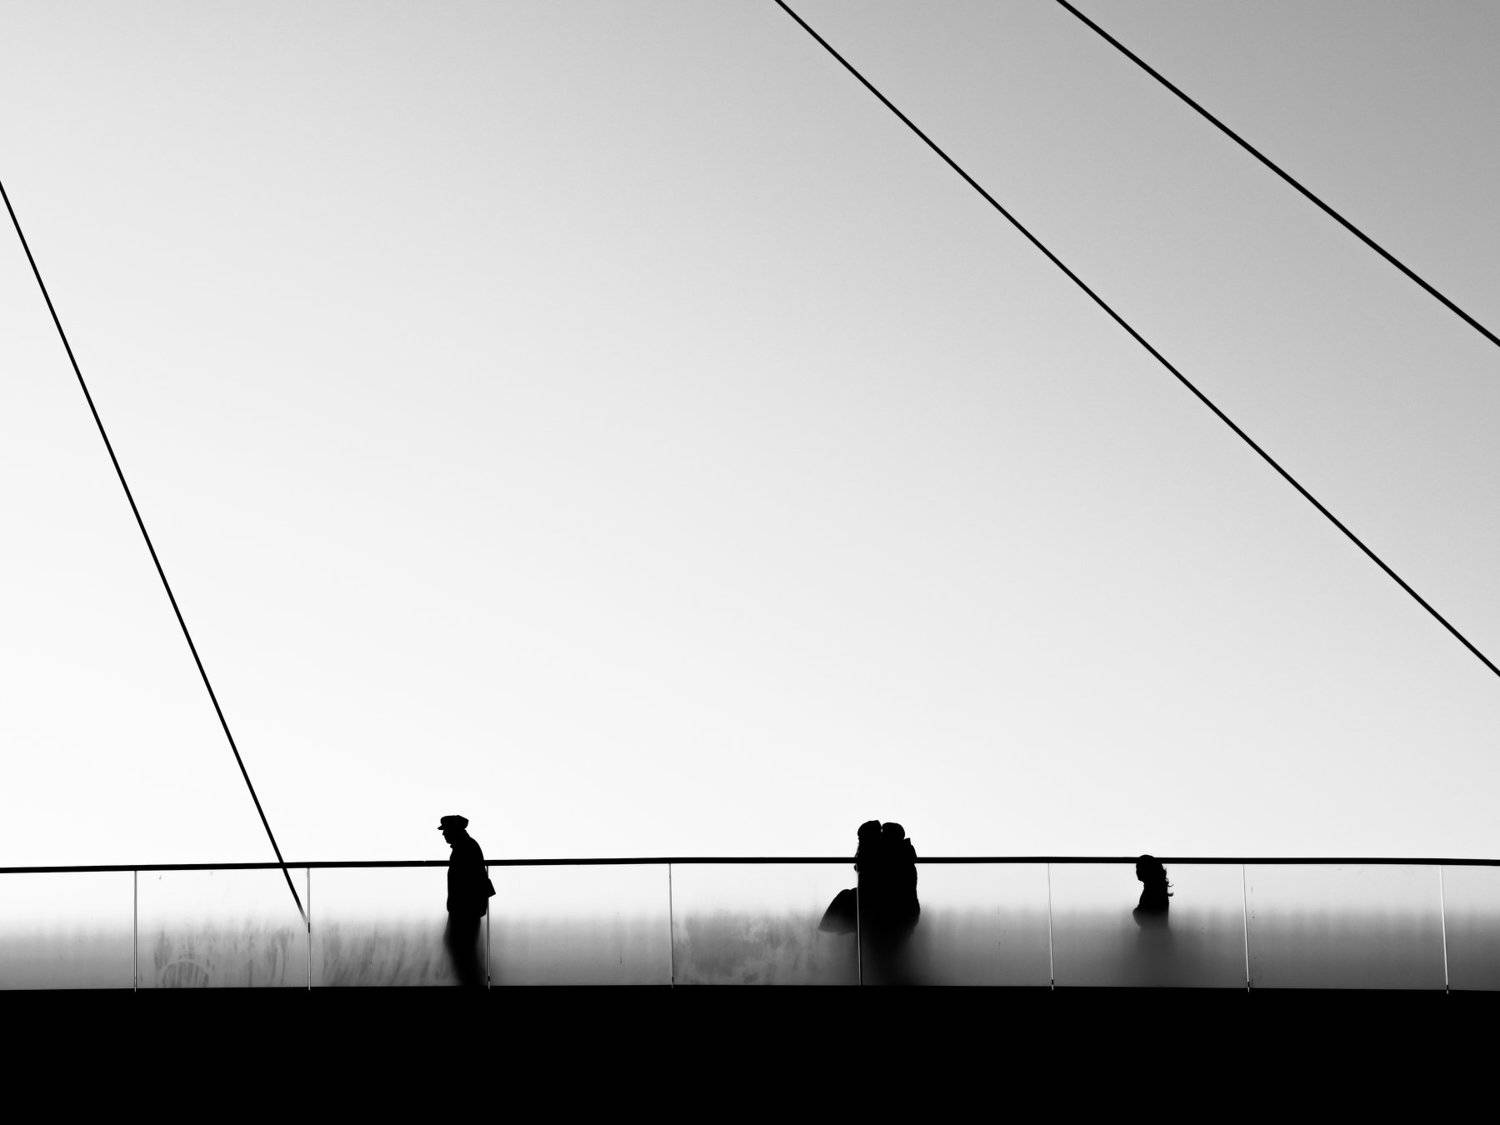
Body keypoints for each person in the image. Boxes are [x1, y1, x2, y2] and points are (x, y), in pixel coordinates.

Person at [439, 814, 492, 987]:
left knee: (460, 947)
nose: (443, 834)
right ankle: (471, 984)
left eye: (446, 830)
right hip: (466, 908)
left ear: (454, 830)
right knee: (463, 949)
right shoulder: (467, 846)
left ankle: (471, 985)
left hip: (463, 909)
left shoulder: (463, 848)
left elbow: (465, 882)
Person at [1133, 854, 1172, 923]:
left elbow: (1144, 916)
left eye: (1139, 868)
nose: (1137, 871)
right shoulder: (1157, 888)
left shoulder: (1153, 890)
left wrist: (1135, 912)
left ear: (1147, 870)